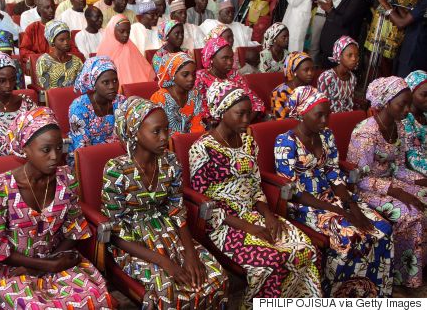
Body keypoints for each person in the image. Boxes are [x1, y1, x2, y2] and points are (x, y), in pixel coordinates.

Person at [190, 81, 322, 306]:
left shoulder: (249, 142)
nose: (246, 120)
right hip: (224, 222)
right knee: (271, 262)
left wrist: (269, 216)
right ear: (221, 112)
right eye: (240, 114)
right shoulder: (202, 149)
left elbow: (255, 186)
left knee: (306, 249)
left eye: (248, 114)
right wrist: (248, 227)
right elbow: (206, 205)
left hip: (254, 212)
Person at [101, 97, 228, 308]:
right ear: (135, 132)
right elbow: (115, 232)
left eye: (167, 130)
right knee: (168, 289)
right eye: (156, 131)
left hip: (167, 230)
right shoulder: (116, 170)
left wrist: (190, 253)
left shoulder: (170, 161)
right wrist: (164, 262)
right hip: (132, 241)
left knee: (216, 277)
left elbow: (177, 210)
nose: (164, 137)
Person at [0, 107, 112, 309]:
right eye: (46, 149)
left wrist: (51, 262)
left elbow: (74, 229)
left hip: (58, 257)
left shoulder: (66, 178)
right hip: (13, 267)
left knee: (95, 297)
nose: (55, 156)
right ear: (25, 148)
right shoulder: (1, 186)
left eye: (59, 148)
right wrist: (45, 266)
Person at [275, 85, 394, 297]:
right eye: (319, 115)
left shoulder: (327, 135)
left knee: (382, 228)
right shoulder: (285, 142)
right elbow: (293, 191)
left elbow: (333, 173)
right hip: (305, 204)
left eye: (327, 114)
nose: (325, 121)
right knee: (349, 236)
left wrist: (351, 205)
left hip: (332, 198)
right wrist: (339, 212)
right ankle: (338, 294)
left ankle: (372, 292)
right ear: (302, 113)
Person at [348, 76, 427, 288]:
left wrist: (420, 181)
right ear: (386, 101)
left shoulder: (398, 127)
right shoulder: (365, 132)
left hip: (390, 182)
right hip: (366, 190)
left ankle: (420, 264)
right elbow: (359, 178)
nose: (408, 110)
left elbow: (400, 168)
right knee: (412, 214)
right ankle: (404, 277)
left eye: (409, 104)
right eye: (403, 104)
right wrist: (397, 192)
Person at [68, 56, 125, 166]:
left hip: (117, 156)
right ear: (94, 83)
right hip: (89, 160)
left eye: (115, 80)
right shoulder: (79, 107)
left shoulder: (120, 101)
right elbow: (83, 147)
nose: (112, 86)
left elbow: (126, 135)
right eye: (105, 82)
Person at [195, 37, 265, 126]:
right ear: (211, 58)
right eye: (225, 58)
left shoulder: (234, 74)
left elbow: (255, 102)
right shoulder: (201, 77)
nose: (229, 62)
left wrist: (242, 123)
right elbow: (202, 111)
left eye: (231, 58)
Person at [375, 0, 427, 77]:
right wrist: (395, 3)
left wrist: (384, 3)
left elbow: (401, 23)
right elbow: (408, 19)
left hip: (413, 53)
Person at [319, 0, 368, 67]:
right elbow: (342, 15)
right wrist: (331, 6)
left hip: (339, 48)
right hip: (333, 47)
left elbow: (343, 21)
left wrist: (330, 10)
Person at [151, 52, 204, 135]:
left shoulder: (195, 93)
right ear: (172, 74)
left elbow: (198, 125)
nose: (191, 78)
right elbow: (159, 131)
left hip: (193, 140)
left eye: (194, 74)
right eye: (185, 75)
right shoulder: (160, 98)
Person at [97, 14, 155, 85]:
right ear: (112, 30)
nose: (125, 35)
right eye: (122, 31)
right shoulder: (104, 50)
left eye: (128, 32)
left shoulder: (131, 48)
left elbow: (145, 72)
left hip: (134, 89)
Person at [309, 0, 343, 65]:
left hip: (320, 17)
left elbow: (313, 0)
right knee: (329, 46)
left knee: (314, 46)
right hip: (333, 18)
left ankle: (312, 67)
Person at [36, 20, 83, 90]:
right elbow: (44, 87)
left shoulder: (76, 61)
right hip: (54, 98)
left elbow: (83, 83)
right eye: (62, 40)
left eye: (68, 39)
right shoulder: (43, 61)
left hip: (75, 97)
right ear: (52, 42)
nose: (66, 42)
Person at [317, 36, 359, 113]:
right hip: (330, 119)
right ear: (339, 55)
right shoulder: (327, 78)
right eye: (349, 55)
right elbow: (322, 105)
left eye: (356, 55)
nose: (354, 59)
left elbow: (350, 103)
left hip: (346, 118)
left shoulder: (352, 78)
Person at [271, 51, 314, 120]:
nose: (310, 73)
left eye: (312, 69)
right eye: (306, 70)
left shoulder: (310, 89)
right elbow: (279, 121)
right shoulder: (280, 93)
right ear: (294, 72)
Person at [403, 70, 427, 176]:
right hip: (412, 171)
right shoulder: (405, 119)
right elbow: (413, 160)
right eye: (424, 95)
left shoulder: (425, 115)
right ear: (411, 93)